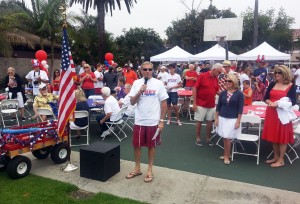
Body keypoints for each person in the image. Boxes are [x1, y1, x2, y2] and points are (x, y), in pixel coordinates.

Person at [126, 61, 168, 183]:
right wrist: (139, 92)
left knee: (151, 146)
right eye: (145, 69)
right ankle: (137, 168)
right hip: (139, 120)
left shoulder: (158, 83)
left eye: (150, 69)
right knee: (137, 145)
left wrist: (161, 121)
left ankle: (150, 169)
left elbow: (164, 103)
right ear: (141, 70)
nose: (147, 71)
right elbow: (132, 102)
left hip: (153, 121)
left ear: (153, 70)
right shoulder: (136, 83)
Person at [263, 65, 296, 168]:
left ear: (285, 74)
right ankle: (276, 157)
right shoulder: (272, 84)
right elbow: (266, 98)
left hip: (283, 115)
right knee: (273, 136)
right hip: (271, 113)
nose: (276, 74)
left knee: (282, 137)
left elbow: (293, 101)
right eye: (276, 72)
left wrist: (277, 104)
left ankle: (281, 160)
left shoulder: (291, 86)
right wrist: (270, 103)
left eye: (279, 72)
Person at [215, 74, 244, 165]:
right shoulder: (223, 93)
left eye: (229, 81)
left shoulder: (239, 94)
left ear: (234, 82)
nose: (227, 82)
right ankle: (227, 154)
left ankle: (226, 156)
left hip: (232, 118)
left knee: (228, 138)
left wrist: (238, 121)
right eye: (226, 81)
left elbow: (240, 109)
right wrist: (216, 118)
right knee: (225, 137)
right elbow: (218, 107)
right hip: (222, 117)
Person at [193, 63, 223, 146]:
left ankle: (208, 138)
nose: (220, 74)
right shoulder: (202, 76)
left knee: (210, 122)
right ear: (214, 70)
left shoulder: (216, 78)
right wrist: (194, 103)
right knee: (199, 121)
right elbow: (195, 89)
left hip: (211, 104)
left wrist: (226, 95)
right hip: (201, 104)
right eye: (219, 72)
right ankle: (198, 138)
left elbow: (217, 90)